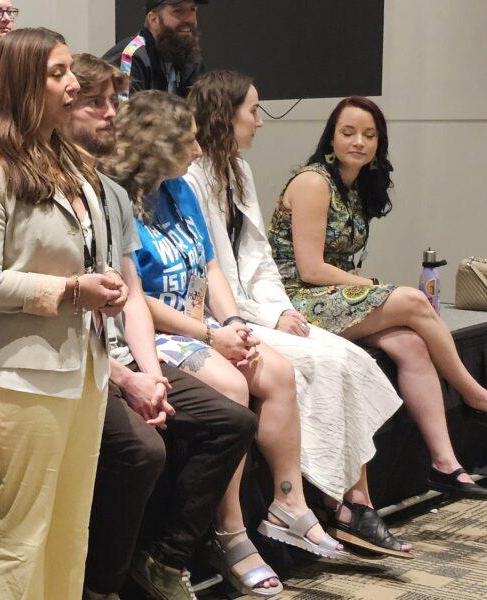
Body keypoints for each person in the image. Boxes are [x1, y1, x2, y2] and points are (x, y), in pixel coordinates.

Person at [104, 90, 354, 597]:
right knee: (232, 389)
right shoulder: (119, 202)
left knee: (277, 371)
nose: (198, 150)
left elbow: (212, 266)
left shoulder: (180, 189)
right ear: (156, 144)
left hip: (204, 325)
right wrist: (209, 335)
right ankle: (230, 532)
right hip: (161, 334)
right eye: (189, 141)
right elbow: (136, 299)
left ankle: (288, 503)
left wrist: (234, 322)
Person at [186, 70, 414, 558]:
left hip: (260, 306)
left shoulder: (238, 170)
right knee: (320, 362)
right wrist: (267, 318)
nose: (260, 121)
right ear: (224, 116)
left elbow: (258, 259)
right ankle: (318, 504)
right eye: (253, 111)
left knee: (351, 358)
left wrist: (281, 310)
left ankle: (354, 501)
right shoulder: (191, 177)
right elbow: (213, 272)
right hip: (222, 314)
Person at [268, 96, 487, 500]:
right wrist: (371, 285)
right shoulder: (314, 182)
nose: (359, 142)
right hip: (294, 301)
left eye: (369, 135)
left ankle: (445, 465)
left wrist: (367, 286)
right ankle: (476, 397)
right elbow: (309, 269)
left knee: (411, 344)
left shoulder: (353, 187)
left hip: (332, 295)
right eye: (348, 132)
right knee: (413, 301)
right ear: (331, 138)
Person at [65, 54, 258, 600]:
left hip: (136, 346)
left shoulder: (116, 193)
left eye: (113, 101)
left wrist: (151, 374)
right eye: (97, 102)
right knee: (146, 449)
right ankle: (103, 586)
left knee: (235, 420)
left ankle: (170, 556)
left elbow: (132, 297)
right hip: (76, 354)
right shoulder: (103, 189)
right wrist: (135, 375)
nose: (112, 113)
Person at [0, 28, 127, 599]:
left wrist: (108, 286)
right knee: (22, 534)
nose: (73, 83)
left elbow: (87, 253)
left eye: (68, 70)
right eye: (58, 73)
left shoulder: (75, 164)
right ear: (25, 84)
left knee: (71, 529)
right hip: (24, 375)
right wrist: (73, 290)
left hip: (87, 368)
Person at [102, 0, 203, 98]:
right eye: (178, 11)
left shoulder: (190, 58)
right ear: (154, 20)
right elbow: (125, 109)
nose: (189, 19)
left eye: (192, 9)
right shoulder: (129, 57)